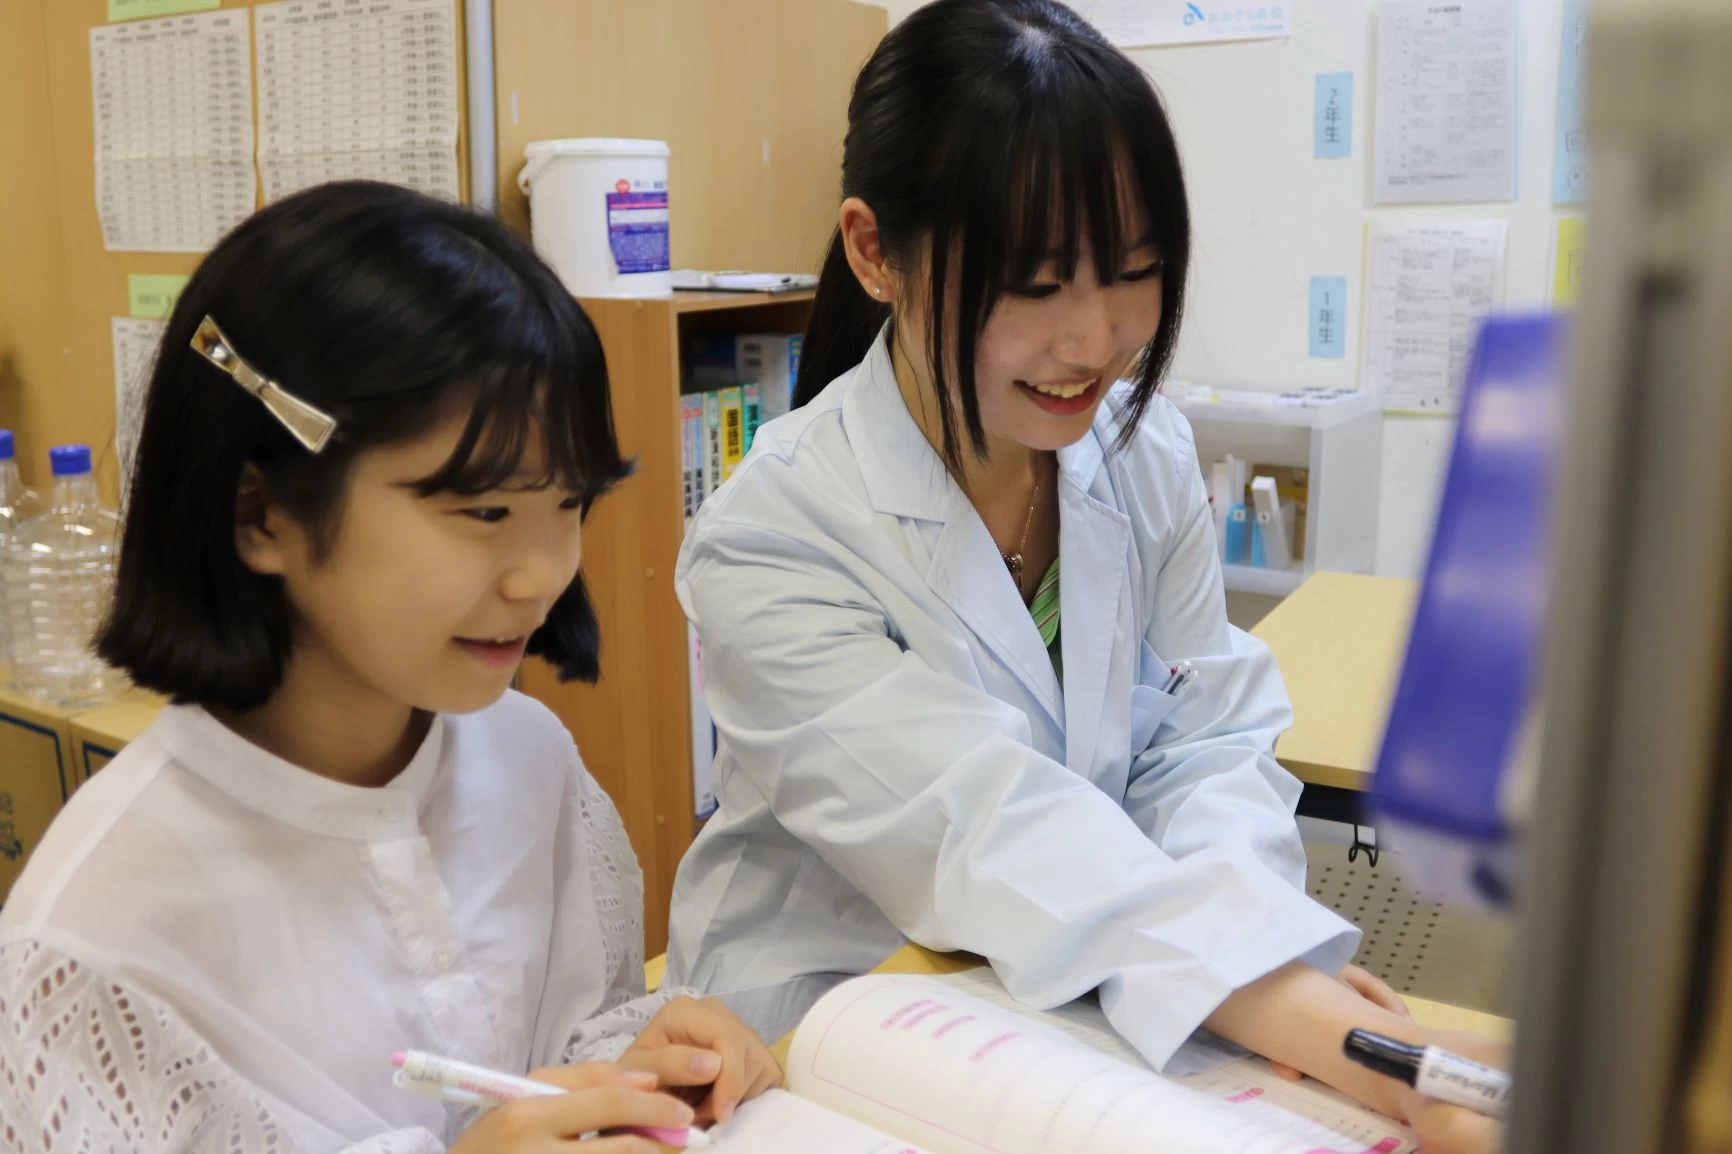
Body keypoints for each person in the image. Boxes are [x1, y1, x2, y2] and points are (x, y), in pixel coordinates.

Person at [665, 3, 1500, 1150]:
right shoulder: (773, 535)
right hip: (837, 1019)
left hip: (1079, 986)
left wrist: (1256, 955)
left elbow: (1207, 736)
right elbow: (985, 826)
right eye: (1033, 283)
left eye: (1135, 272)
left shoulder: (1138, 450)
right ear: (876, 252)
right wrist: (1303, 1013)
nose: (1095, 340)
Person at [0, 182, 778, 1154]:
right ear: (262, 514)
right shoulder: (91, 943)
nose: (542, 575)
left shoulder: (527, 755)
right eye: (485, 510)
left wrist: (642, 1064)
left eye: (568, 505)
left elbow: (565, 1044)